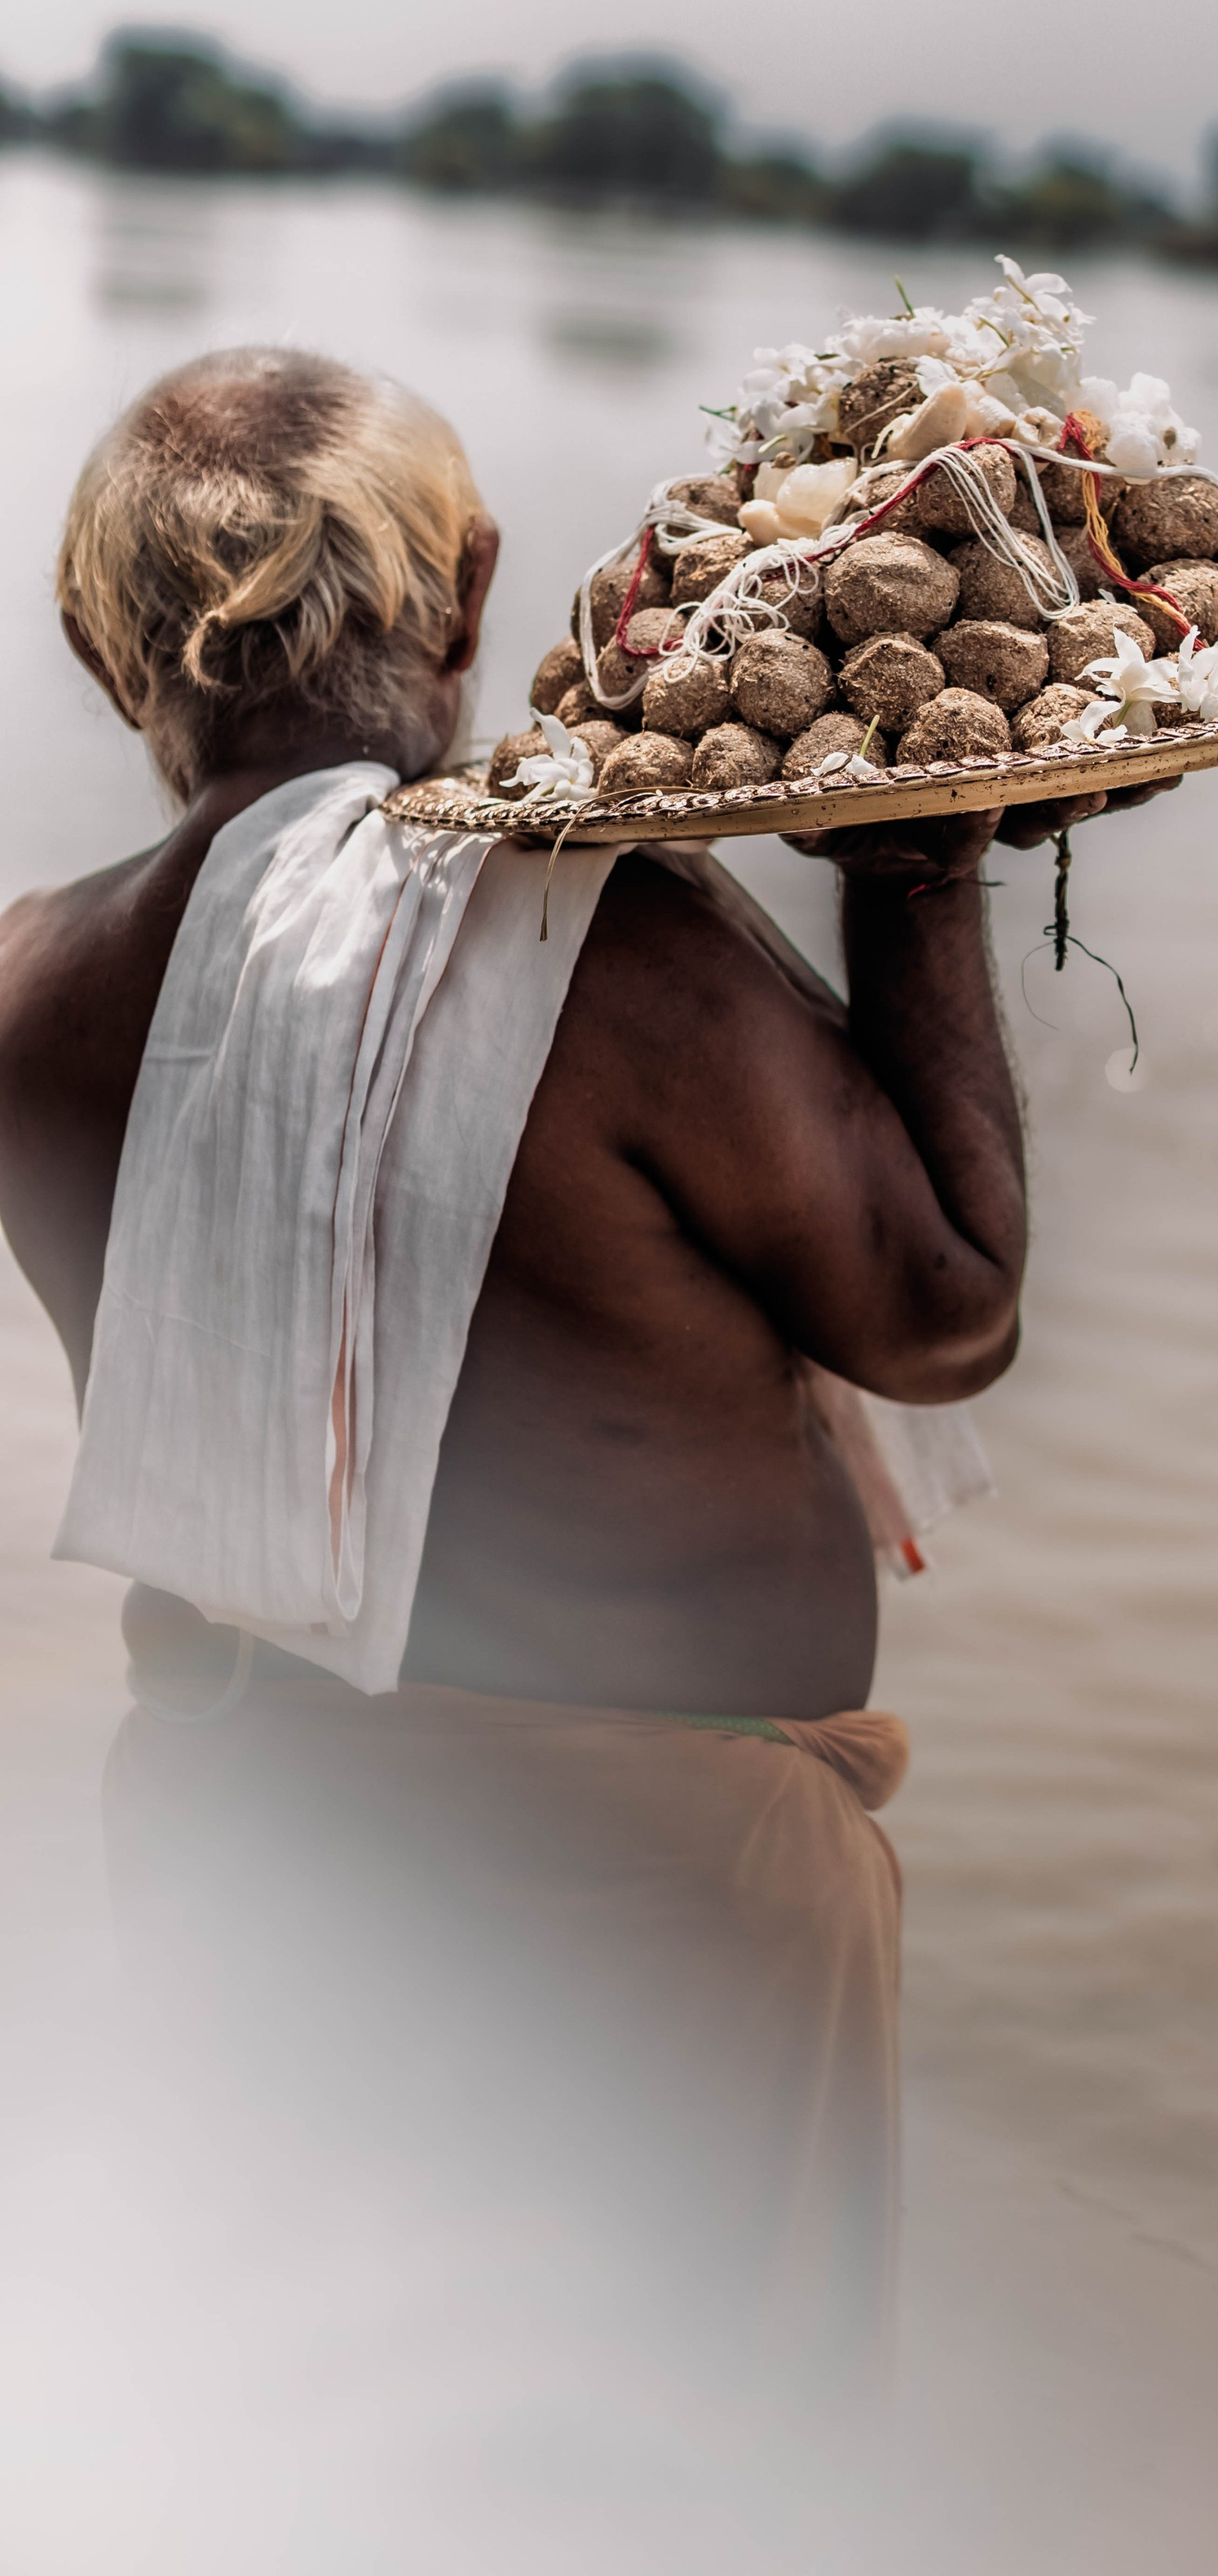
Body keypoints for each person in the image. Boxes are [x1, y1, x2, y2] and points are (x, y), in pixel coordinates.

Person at [0, 346, 1154, 2434]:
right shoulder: (609, 947)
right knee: (686, 2496)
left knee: (290, 2469)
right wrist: (914, 859)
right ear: (474, 596)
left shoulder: (27, 991)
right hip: (653, 1889)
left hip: (249, 1834)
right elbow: (941, 1308)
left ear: (102, 655)